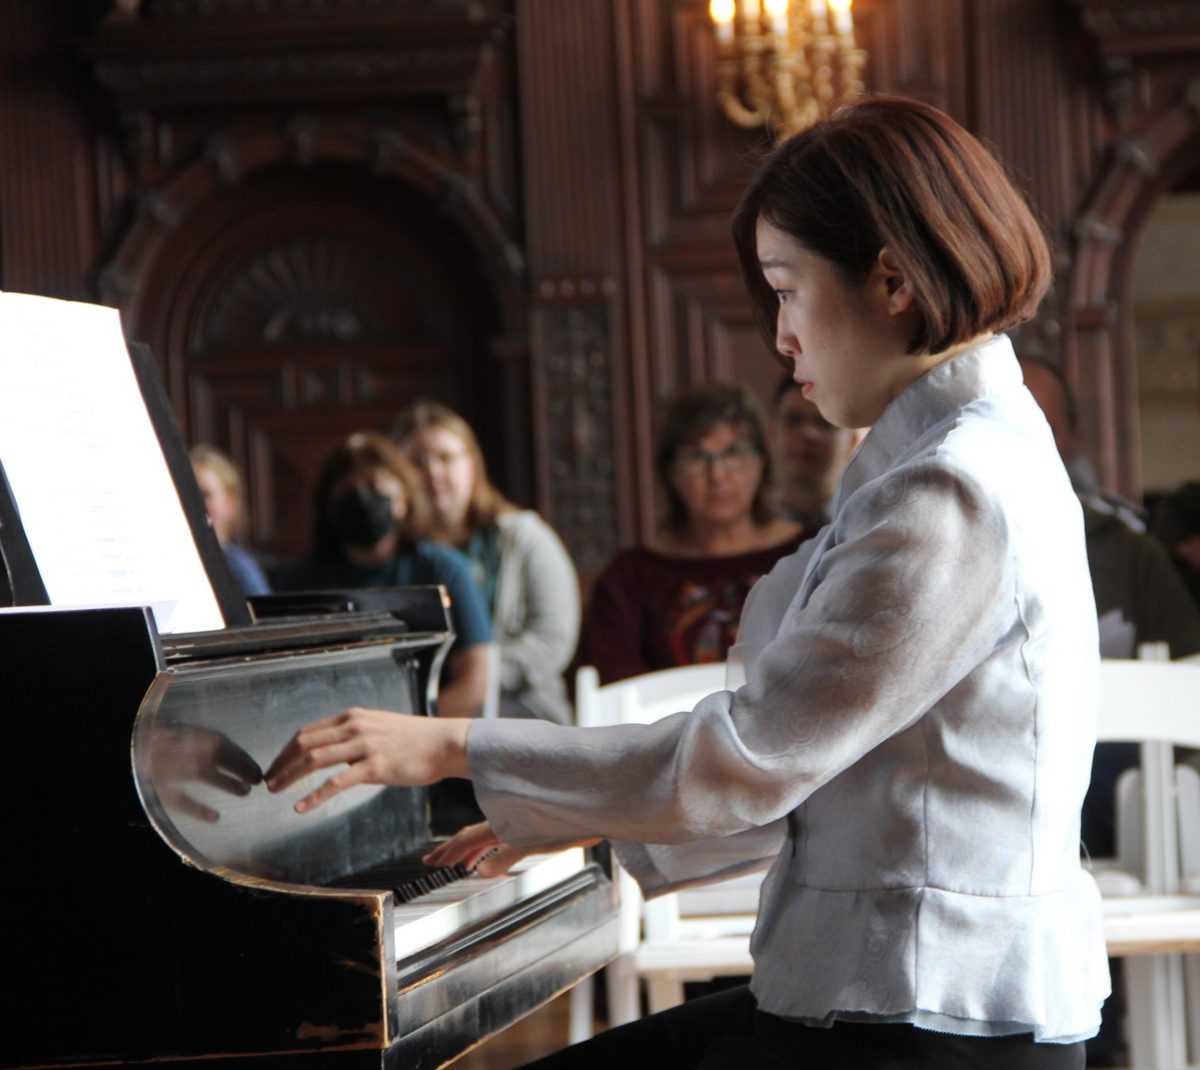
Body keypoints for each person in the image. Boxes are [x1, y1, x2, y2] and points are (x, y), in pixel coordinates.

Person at [266, 97, 1108, 1069]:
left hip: (924, 1021)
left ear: (890, 280)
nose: (781, 336)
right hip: (892, 997)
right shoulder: (954, 452)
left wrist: (450, 744)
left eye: (787, 290)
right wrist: (567, 824)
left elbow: (752, 757)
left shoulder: (951, 486)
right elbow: (821, 775)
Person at [579, 382, 806, 684]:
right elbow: (615, 690)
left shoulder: (809, 553)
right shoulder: (629, 578)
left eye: (733, 453)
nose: (717, 475)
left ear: (761, 461)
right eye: (697, 458)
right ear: (671, 473)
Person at [272, 431, 494, 723]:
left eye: (375, 486)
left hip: (424, 736)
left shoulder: (443, 569)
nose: (362, 498)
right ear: (328, 505)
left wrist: (408, 732)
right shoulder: (296, 582)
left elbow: (475, 682)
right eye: (348, 490)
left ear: (402, 499)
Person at [393, 401, 581, 725]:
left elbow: (552, 640)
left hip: (518, 703)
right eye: (418, 462)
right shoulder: (395, 553)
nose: (432, 472)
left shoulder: (524, 536)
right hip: (412, 704)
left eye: (445, 458)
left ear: (472, 464)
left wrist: (473, 676)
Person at [771, 374, 858, 529]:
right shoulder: (743, 526)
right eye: (794, 420)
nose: (808, 434)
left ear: (852, 442)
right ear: (772, 433)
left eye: (825, 423)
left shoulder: (866, 523)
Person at [189, 443, 271, 597]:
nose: (194, 503)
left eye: (205, 495)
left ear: (230, 502)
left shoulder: (237, 566)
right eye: (186, 493)